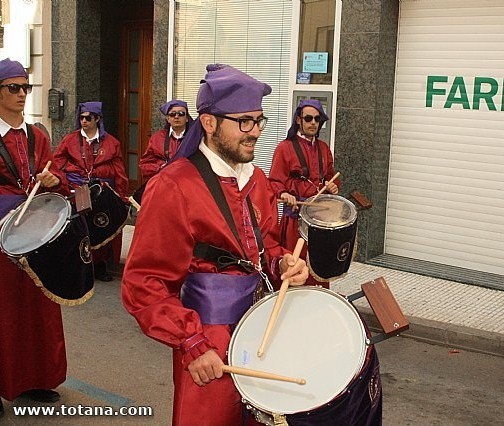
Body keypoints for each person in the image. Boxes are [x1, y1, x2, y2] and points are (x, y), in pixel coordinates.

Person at [121, 64, 309, 426]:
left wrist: (282, 263)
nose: (255, 132)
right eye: (244, 122)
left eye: (259, 121)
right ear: (209, 123)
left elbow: (264, 246)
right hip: (208, 341)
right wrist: (191, 342)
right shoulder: (173, 186)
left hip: (259, 331)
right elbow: (143, 283)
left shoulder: (256, 178)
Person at [0, 58, 69, 416]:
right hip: (1, 239)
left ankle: (38, 379)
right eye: (13, 88)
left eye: (26, 88)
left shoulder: (38, 135)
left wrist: (54, 181)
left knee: (40, 310)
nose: (22, 94)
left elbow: (56, 173)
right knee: (4, 313)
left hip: (37, 237)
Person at [53, 101, 129, 281]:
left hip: (103, 191)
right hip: (77, 190)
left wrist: (122, 195)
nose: (84, 121)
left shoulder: (112, 142)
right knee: (81, 227)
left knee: (102, 224)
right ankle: (81, 264)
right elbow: (57, 161)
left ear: (98, 119)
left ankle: (101, 265)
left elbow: (119, 171)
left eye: (88, 118)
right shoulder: (70, 140)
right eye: (81, 117)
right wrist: (72, 174)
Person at [269, 99, 340, 288]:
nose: (313, 123)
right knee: (293, 269)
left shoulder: (324, 149)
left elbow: (332, 177)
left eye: (317, 119)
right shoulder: (284, 148)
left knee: (319, 267)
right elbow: (274, 182)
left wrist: (332, 186)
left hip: (319, 221)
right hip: (294, 221)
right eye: (308, 118)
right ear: (299, 120)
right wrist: (284, 194)